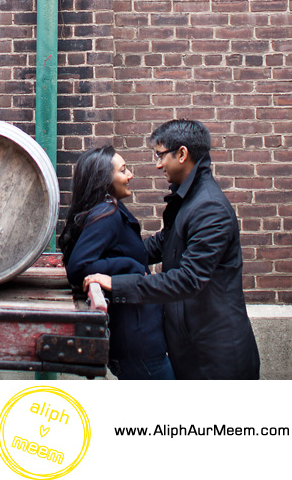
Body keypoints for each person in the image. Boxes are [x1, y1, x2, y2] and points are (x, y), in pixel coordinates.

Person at [83, 120, 260, 380]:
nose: (157, 164)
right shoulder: (188, 200)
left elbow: (189, 279)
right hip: (192, 346)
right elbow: (162, 245)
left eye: (160, 155)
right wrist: (109, 257)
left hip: (217, 357)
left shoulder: (210, 208)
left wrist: (117, 283)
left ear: (182, 154)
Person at [58, 145, 174, 380]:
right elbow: (79, 267)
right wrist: (129, 266)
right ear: (105, 179)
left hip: (139, 337)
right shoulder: (107, 214)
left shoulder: (110, 211)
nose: (130, 175)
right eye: (123, 170)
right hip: (138, 343)